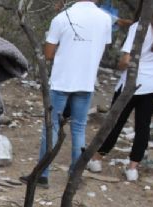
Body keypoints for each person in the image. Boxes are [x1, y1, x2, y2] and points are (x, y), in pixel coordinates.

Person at [21, 0, 112, 188]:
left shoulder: (62, 18)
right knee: (79, 128)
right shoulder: (105, 19)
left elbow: (48, 53)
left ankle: (42, 174)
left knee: (52, 126)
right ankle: (75, 175)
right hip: (86, 80)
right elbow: (103, 46)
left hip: (62, 79)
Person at [89, 0, 153, 181]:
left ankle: (97, 158)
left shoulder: (139, 26)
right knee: (143, 125)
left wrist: (122, 66)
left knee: (115, 122)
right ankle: (133, 167)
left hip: (132, 82)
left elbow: (126, 59)